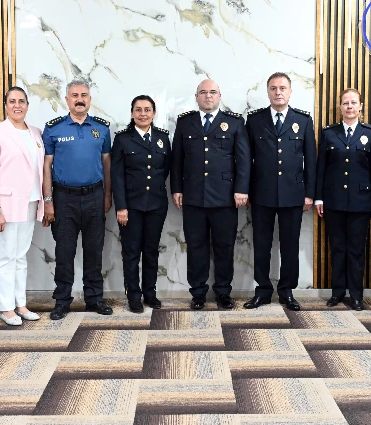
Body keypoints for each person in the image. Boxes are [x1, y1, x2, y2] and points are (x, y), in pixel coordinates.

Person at [171, 78, 250, 310]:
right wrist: (176, 188)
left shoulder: (234, 122)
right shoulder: (185, 122)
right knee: (196, 246)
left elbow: (243, 159)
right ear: (196, 97)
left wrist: (241, 189)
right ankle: (198, 293)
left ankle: (223, 292)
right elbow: (177, 159)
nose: (208, 96)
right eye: (203, 92)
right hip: (193, 196)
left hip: (225, 197)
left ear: (219, 96)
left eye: (212, 92)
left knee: (225, 246)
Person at [42, 77, 113, 320]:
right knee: (64, 252)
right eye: (74, 95)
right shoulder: (54, 128)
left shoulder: (102, 128)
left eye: (83, 95)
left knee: (94, 251)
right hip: (64, 199)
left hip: (94, 196)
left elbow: (107, 163)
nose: (79, 100)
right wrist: (48, 200)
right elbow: (46, 166)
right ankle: (62, 301)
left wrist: (108, 194)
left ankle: (94, 298)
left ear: (90, 99)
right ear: (67, 100)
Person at [244, 72, 315, 311]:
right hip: (261, 193)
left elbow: (311, 160)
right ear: (268, 92)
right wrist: (246, 191)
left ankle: (286, 291)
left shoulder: (303, 120)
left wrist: (309, 193)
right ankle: (263, 290)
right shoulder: (255, 120)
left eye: (282, 88)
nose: (278, 92)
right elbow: (246, 159)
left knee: (290, 246)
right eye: (273, 88)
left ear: (290, 92)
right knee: (261, 244)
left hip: (293, 194)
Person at [0, 87, 45, 326]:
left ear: (28, 105)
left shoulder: (36, 133)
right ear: (6, 105)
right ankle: (6, 307)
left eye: (21, 101)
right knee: (6, 256)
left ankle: (21, 304)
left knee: (20, 256)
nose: (17, 105)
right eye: (12, 101)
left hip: (30, 202)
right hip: (4, 205)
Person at [314, 88, 371, 311]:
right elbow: (321, 167)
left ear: (361, 106)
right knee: (337, 248)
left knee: (356, 250)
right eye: (345, 103)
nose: (349, 106)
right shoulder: (329, 133)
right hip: (333, 200)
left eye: (353, 103)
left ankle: (357, 295)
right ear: (340, 107)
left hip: (361, 201)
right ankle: (337, 292)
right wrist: (319, 198)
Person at [111, 95, 172, 313]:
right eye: (138, 109)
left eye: (147, 110)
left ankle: (150, 293)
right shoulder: (122, 139)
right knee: (131, 252)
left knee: (151, 250)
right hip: (131, 206)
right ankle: (134, 296)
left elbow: (164, 169)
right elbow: (117, 175)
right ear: (132, 113)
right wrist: (121, 207)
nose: (143, 114)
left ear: (154, 113)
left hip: (156, 204)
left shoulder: (162, 138)